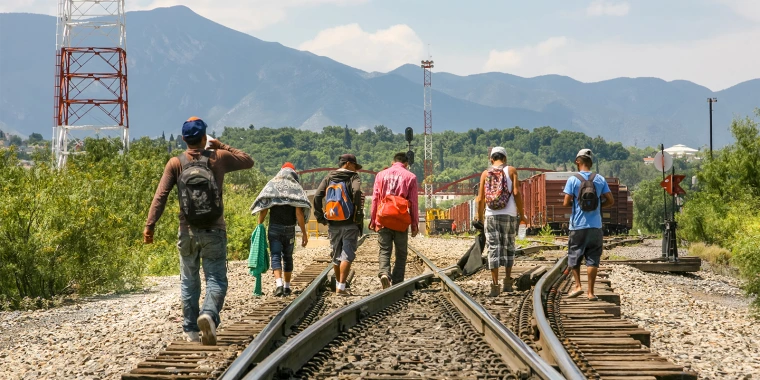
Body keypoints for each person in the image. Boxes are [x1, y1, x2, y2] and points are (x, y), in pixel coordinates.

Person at [144, 116, 254, 345]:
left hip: (187, 231)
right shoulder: (218, 158)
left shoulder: (175, 163)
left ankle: (191, 330)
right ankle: (209, 314)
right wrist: (221, 145)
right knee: (215, 278)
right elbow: (248, 160)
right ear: (205, 137)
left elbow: (160, 196)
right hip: (214, 230)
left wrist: (150, 226)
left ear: (184, 139)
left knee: (189, 281)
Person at [251, 162, 311, 297]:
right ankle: (287, 287)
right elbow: (299, 214)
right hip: (289, 229)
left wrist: (259, 225)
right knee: (288, 257)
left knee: (276, 255)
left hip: (274, 228)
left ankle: (279, 285)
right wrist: (304, 233)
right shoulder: (296, 188)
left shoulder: (272, 185)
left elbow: (264, 207)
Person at [562, 149, 615, 301]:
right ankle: (590, 292)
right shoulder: (599, 179)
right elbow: (611, 201)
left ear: (579, 161)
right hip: (595, 226)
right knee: (593, 258)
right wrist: (598, 206)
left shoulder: (573, 179)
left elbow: (566, 202)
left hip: (577, 225)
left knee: (574, 256)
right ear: (590, 163)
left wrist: (576, 203)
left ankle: (578, 286)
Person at [476, 147, 527, 297]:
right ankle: (507, 283)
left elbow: (480, 199)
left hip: (491, 215)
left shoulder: (485, 173)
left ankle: (495, 285)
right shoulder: (511, 170)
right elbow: (516, 193)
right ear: (505, 158)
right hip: (509, 214)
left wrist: (479, 217)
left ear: (491, 159)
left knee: (493, 248)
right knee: (509, 246)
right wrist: (522, 215)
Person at [313, 154, 364, 296]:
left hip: (333, 222)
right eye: (354, 165)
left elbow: (317, 195)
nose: (356, 168)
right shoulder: (353, 177)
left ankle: (338, 285)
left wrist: (319, 216)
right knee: (347, 253)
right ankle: (341, 287)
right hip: (349, 222)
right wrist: (358, 212)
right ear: (347, 164)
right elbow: (357, 191)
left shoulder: (329, 176)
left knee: (336, 255)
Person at [369, 152, 419, 289]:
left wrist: (373, 219)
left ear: (393, 162)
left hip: (384, 218)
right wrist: (414, 224)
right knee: (401, 253)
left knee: (384, 249)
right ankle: (397, 283)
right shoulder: (411, 177)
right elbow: (414, 202)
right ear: (406, 164)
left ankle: (384, 273)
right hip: (401, 220)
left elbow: (375, 199)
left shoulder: (380, 175)